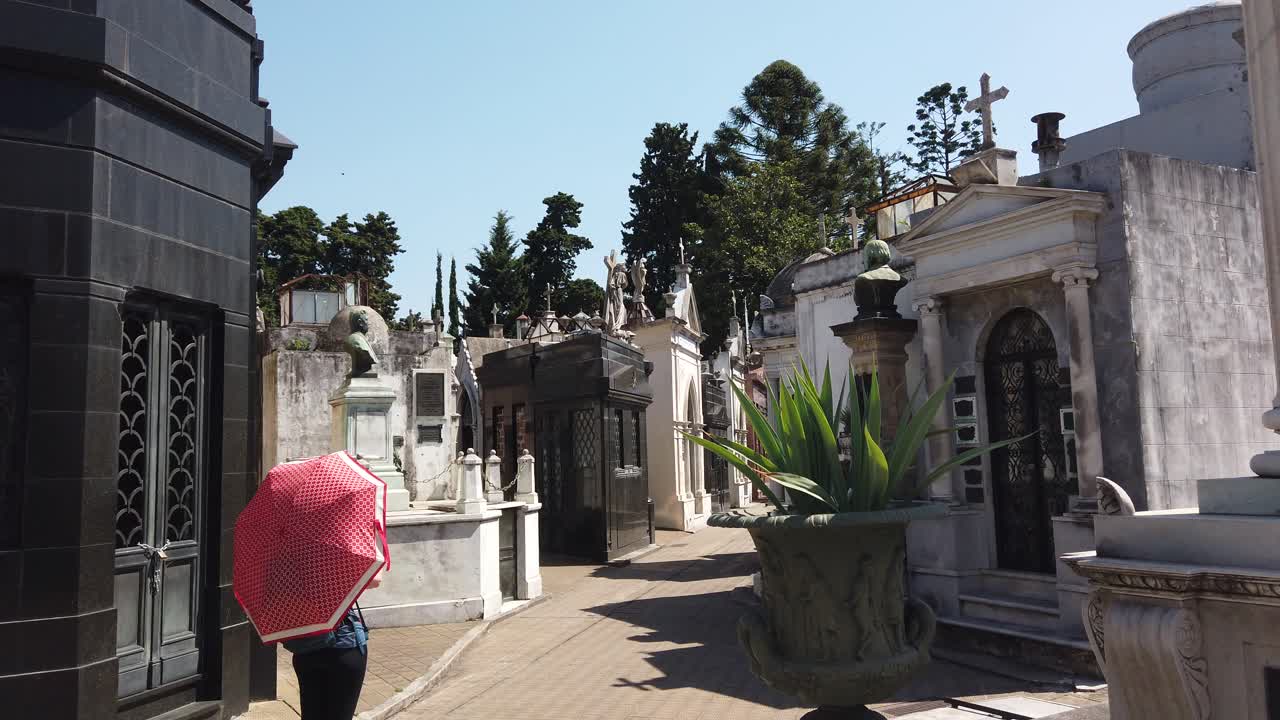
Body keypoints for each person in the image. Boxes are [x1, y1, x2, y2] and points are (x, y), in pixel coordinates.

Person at [283, 572, 382, 720]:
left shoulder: (287, 560)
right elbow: (374, 580)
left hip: (306, 644)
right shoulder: (335, 555)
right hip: (343, 645)